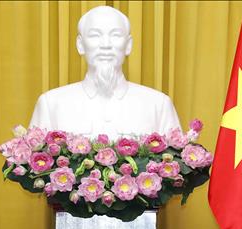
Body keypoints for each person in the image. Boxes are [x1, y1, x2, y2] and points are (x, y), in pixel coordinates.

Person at [29, 6, 180, 138]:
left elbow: (175, 160)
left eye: (115, 35)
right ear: (80, 44)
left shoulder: (158, 105)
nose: (106, 45)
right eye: (95, 35)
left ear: (128, 45)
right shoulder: (51, 104)